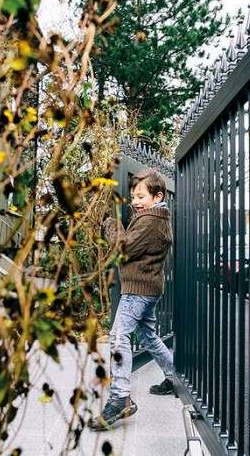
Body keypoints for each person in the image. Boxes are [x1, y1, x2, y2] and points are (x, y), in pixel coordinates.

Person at [89, 168, 175, 431]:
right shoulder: (156, 217)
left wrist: (112, 224)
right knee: (149, 336)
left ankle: (120, 397)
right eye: (134, 197)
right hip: (148, 288)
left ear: (158, 196)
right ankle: (174, 376)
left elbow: (124, 248)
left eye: (141, 197)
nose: (136, 202)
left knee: (118, 337)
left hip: (137, 290)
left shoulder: (151, 221)